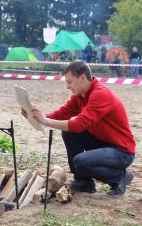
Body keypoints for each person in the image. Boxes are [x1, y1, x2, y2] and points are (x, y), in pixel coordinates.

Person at [22, 60, 136, 196]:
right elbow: (62, 113)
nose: (67, 86)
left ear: (82, 78)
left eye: (69, 82)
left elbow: (79, 124)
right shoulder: (80, 95)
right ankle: (84, 182)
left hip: (122, 152)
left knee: (81, 161)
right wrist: (36, 116)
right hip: (104, 144)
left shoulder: (100, 94)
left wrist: (45, 121)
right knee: (68, 133)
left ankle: (119, 177)